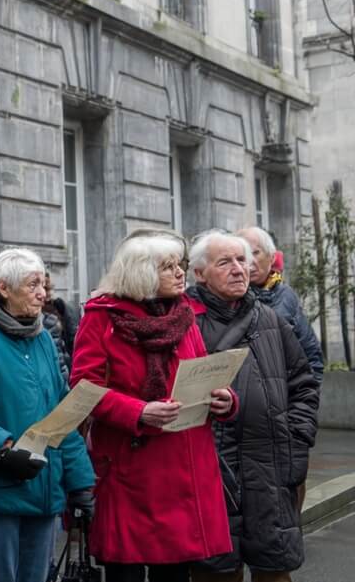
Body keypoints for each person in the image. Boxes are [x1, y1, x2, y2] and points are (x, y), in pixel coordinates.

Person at [70, 230, 236, 582]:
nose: (180, 273)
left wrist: (224, 399)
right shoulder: (102, 316)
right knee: (126, 572)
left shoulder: (183, 314)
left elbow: (200, 370)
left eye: (181, 265)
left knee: (175, 572)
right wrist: (137, 411)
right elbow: (84, 388)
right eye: (168, 267)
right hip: (131, 466)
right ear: (141, 272)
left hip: (183, 463)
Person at [0, 249, 95, 582]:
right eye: (33, 285)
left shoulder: (43, 338)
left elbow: (62, 412)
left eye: (43, 285)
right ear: (3, 288)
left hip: (45, 493)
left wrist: (80, 482)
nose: (43, 294)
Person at [187, 230, 319, 582]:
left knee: (274, 572)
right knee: (216, 573)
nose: (238, 269)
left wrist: (296, 439)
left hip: (269, 471)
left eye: (242, 260)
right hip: (211, 474)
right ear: (199, 273)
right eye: (224, 262)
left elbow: (304, 384)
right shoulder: (184, 323)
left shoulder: (271, 319)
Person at [236, 226, 324, 381]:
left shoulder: (286, 295)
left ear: (271, 257)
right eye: (244, 256)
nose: (250, 262)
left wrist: (306, 402)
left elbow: (311, 355)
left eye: (255, 253)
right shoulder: (230, 297)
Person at [42, 272, 79, 383]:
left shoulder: (61, 307)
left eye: (46, 288)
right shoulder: (37, 315)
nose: (43, 293)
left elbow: (72, 340)